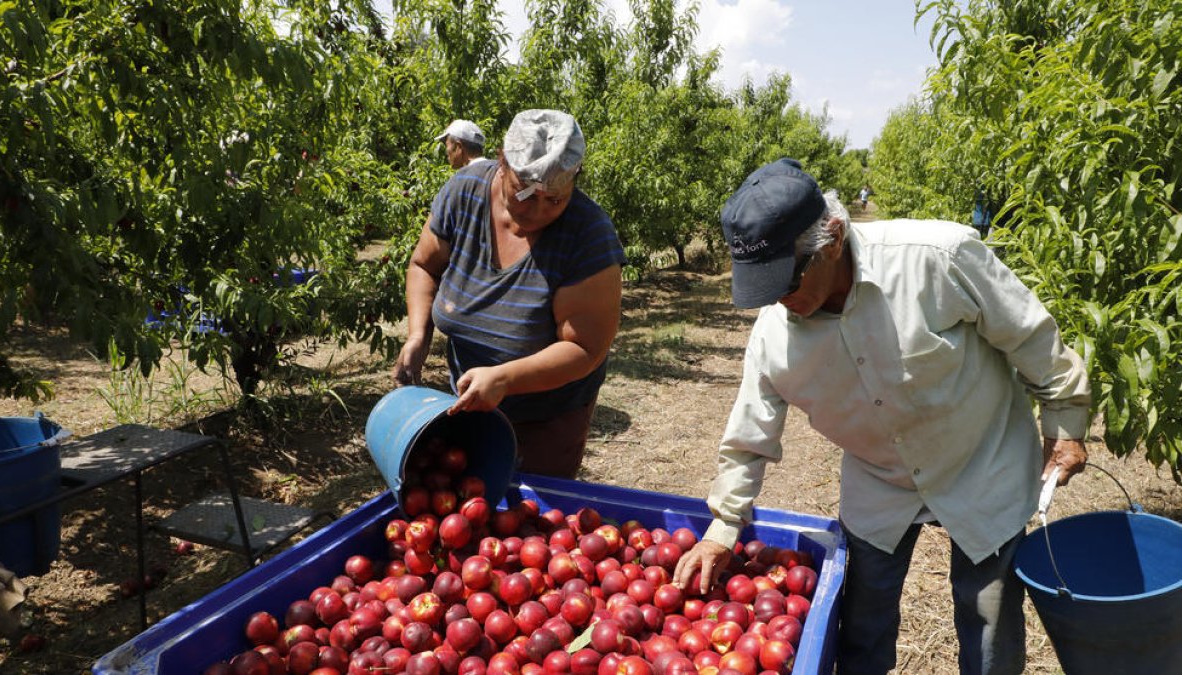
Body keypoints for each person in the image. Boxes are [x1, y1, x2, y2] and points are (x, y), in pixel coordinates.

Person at [673, 159, 1091, 675]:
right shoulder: (774, 335)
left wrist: (1066, 422)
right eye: (766, 287)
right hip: (880, 482)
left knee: (989, 625)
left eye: (789, 278)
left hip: (983, 461)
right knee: (863, 625)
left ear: (834, 236)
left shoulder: (937, 259)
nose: (782, 299)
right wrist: (723, 526)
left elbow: (1032, 337)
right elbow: (748, 436)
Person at [395, 109, 626, 478]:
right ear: (502, 161)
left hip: (547, 415)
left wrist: (504, 378)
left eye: (555, 200)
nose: (537, 211)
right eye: (525, 194)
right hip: (470, 402)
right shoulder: (463, 193)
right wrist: (418, 334)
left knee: (533, 514)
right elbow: (424, 266)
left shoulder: (588, 236)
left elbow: (584, 348)